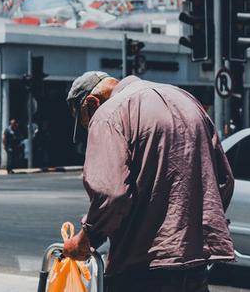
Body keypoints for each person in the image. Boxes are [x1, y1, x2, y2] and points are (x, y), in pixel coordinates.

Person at [62, 71, 235, 292]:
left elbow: (111, 194)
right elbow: (224, 182)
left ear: (92, 103)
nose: (90, 130)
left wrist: (87, 238)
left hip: (142, 271)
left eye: (86, 124)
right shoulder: (186, 100)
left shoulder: (107, 113)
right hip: (194, 269)